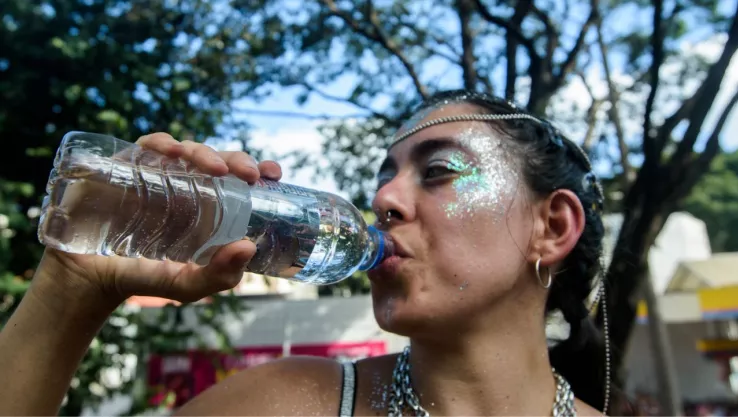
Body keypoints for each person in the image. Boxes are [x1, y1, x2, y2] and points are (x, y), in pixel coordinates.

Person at [0, 90, 615, 416]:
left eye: (439, 172)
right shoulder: (282, 404)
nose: (384, 199)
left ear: (552, 226)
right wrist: (72, 290)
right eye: (385, 176)